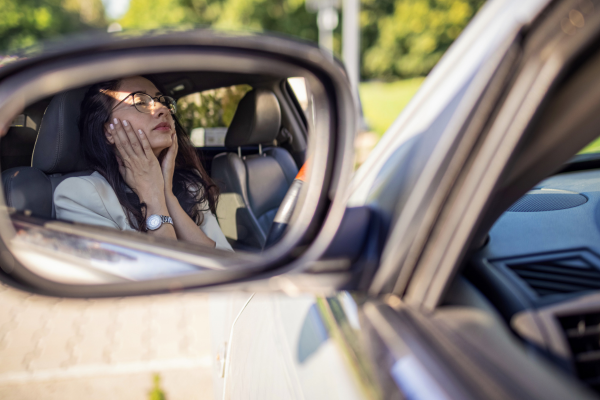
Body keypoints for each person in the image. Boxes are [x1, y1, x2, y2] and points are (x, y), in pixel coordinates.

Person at [54, 76, 233, 252]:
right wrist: (152, 196)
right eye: (140, 102)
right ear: (108, 130)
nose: (162, 108)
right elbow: (163, 275)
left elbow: (228, 264)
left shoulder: (190, 185)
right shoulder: (79, 195)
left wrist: (167, 195)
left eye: (162, 101)